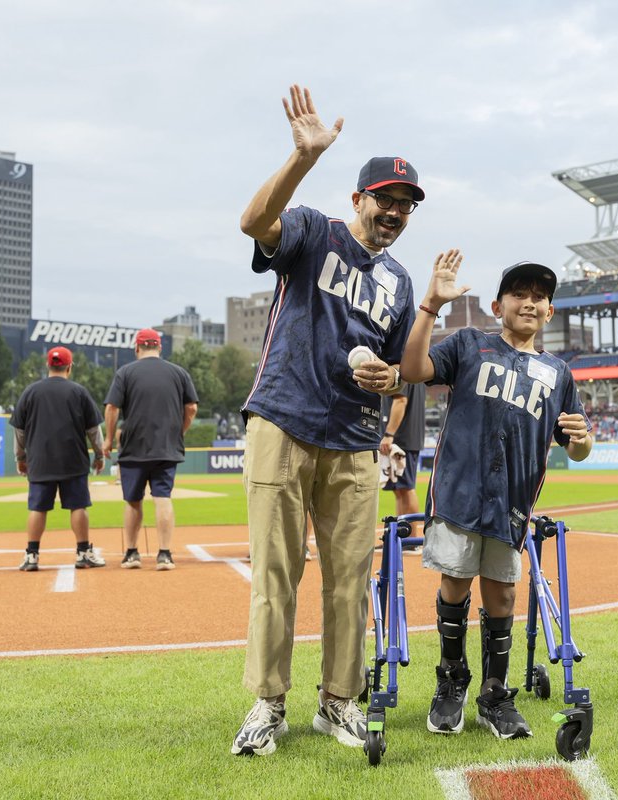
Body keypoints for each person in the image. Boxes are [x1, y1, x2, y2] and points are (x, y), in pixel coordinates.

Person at [230, 84, 419, 757]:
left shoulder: (399, 280)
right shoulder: (315, 229)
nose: (394, 211)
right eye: (385, 199)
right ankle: (267, 703)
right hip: (282, 418)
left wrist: (388, 379)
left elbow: (401, 370)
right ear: (358, 199)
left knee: (350, 582)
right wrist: (301, 157)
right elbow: (254, 222)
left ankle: (338, 701)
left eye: (405, 204)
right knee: (275, 574)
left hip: (353, 440)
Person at [400, 254, 594, 739]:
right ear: (497, 304)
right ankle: (451, 682)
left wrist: (585, 437)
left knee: (503, 593)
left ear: (549, 312)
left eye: (539, 297)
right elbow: (411, 367)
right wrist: (430, 306)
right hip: (460, 492)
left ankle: (494, 692)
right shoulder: (470, 344)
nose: (530, 302)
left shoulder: (559, 374)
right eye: (519, 294)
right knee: (455, 584)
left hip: (511, 504)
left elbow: (578, 446)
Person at [102, 328, 199, 571]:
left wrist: (108, 439)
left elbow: (112, 408)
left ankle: (132, 553)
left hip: (133, 447)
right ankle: (164, 555)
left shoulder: (125, 372)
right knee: (163, 498)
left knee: (133, 501)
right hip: (166, 446)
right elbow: (192, 409)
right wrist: (179, 432)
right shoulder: (179, 372)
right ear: (159, 347)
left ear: (137, 348)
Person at [9, 346, 106, 571]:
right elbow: (94, 430)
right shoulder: (79, 392)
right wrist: (99, 455)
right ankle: (83, 553)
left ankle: (32, 556)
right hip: (73, 459)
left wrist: (20, 457)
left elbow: (19, 432)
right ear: (69, 367)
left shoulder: (30, 392)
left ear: (48, 365)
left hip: (40, 460)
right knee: (78, 506)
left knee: (38, 508)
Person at [380, 380, 427, 536]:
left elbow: (401, 400)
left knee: (406, 488)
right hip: (406, 437)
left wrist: (389, 434)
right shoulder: (414, 372)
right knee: (400, 490)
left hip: (402, 438)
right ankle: (401, 537)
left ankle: (412, 539)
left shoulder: (404, 369)